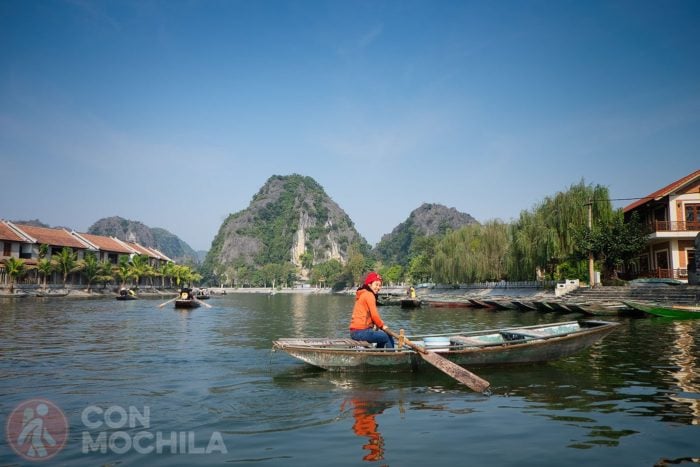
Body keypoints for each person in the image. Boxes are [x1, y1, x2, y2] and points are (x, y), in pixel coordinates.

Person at [349, 272, 394, 348]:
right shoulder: (369, 295)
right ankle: (392, 356)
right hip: (360, 332)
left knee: (382, 337)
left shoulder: (364, 293)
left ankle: (379, 354)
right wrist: (382, 326)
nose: (378, 287)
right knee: (386, 336)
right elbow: (374, 315)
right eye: (376, 285)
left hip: (356, 332)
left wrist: (378, 323)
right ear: (369, 284)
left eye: (380, 285)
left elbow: (371, 316)